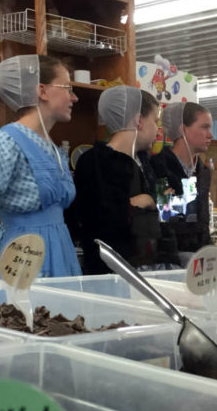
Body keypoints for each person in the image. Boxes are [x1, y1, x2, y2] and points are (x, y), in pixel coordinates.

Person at [0, 54, 81, 279]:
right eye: (67, 87)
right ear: (42, 91)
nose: (74, 97)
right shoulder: (6, 142)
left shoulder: (54, 150)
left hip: (60, 254)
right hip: (23, 261)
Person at [70, 86, 168, 273]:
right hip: (109, 273)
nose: (158, 130)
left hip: (146, 270)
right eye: (155, 121)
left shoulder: (145, 163)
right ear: (139, 121)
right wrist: (142, 201)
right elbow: (100, 219)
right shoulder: (95, 162)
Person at [151, 102, 214, 257]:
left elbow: (203, 221)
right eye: (204, 127)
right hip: (170, 260)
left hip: (200, 259)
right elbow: (164, 220)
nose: (210, 134)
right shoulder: (159, 167)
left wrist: (210, 252)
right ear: (183, 128)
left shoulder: (203, 172)